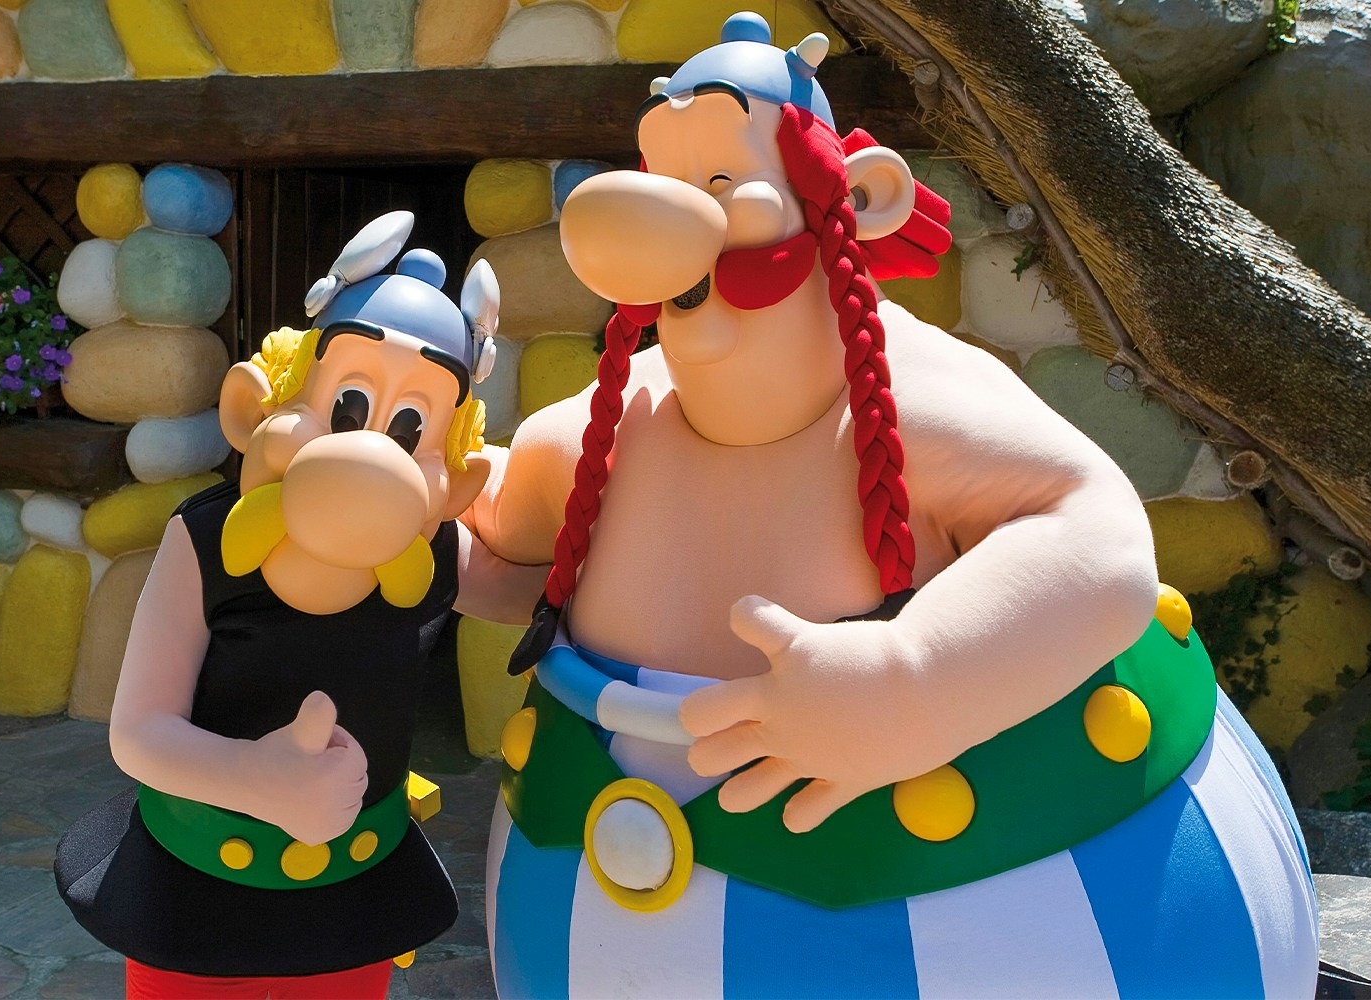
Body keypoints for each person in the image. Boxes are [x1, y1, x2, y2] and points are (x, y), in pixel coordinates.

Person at [472, 14, 1318, 997]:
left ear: (851, 200)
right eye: (659, 181)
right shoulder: (616, 420)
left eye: (715, 183)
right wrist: (418, 513)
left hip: (1007, 900)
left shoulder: (919, 399)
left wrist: (913, 682)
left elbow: (1094, 540)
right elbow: (507, 546)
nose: (667, 218)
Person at [54, 213, 541, 999]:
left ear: (453, 477)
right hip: (195, 885)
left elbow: (544, 591)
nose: (372, 449)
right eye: (348, 404)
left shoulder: (439, 554)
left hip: (351, 892)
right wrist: (255, 778)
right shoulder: (206, 540)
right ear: (264, 403)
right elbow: (138, 733)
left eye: (411, 426)